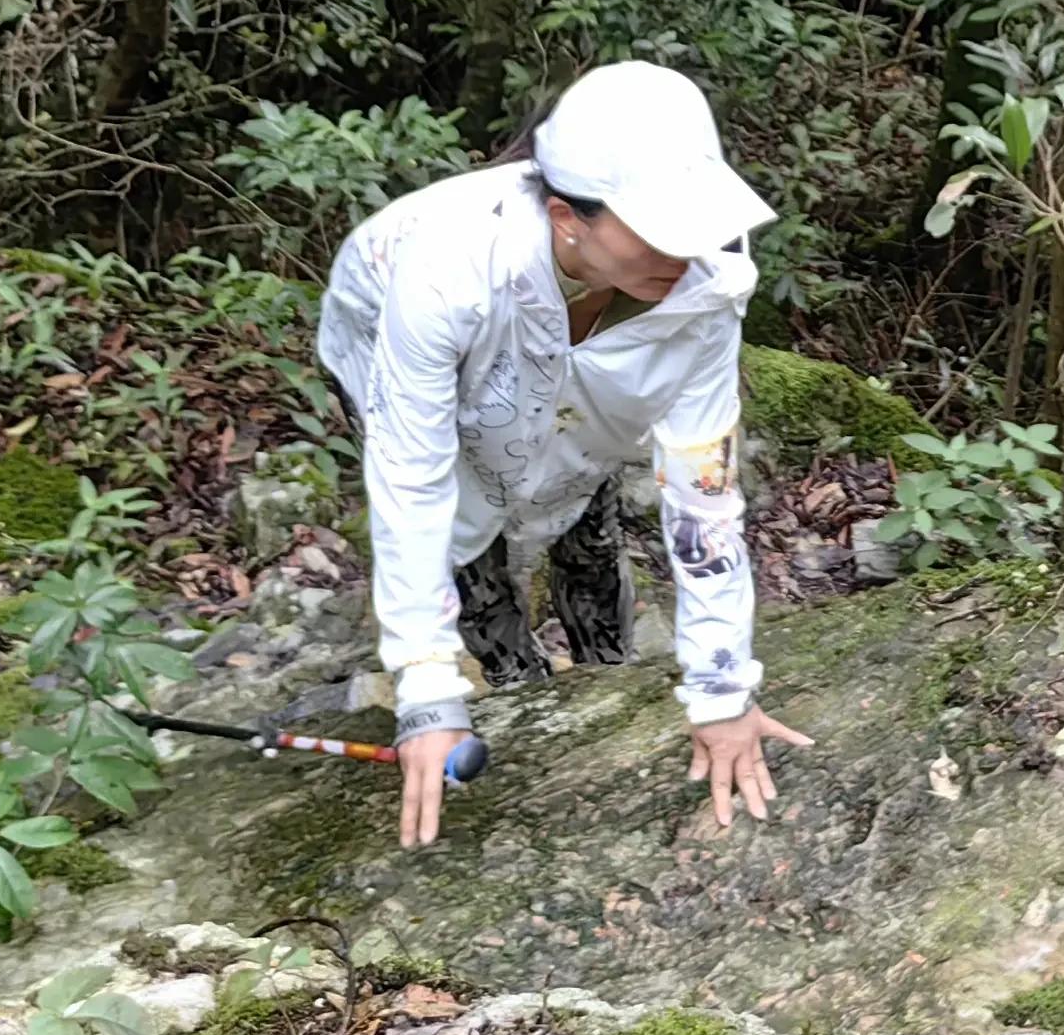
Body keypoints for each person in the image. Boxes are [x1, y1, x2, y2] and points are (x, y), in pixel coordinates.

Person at [313, 60, 812, 845]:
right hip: (407, 343)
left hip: (583, 392)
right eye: (657, 228)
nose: (686, 251)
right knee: (470, 512)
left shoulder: (704, 290)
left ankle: (606, 671)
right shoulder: (447, 270)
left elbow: (702, 492)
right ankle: (510, 680)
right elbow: (413, 477)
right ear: (565, 216)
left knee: (579, 482)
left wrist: (722, 690)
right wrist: (426, 687)